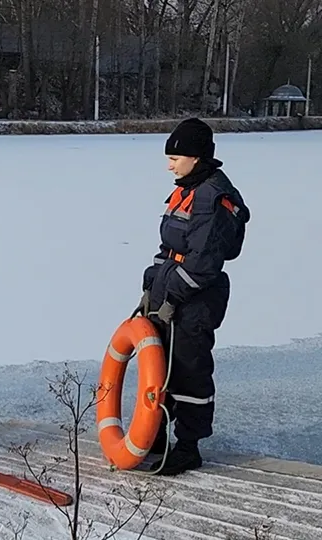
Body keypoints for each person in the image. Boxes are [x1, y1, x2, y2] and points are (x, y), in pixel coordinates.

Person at [137, 118, 250, 475]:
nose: (169, 163)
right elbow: (169, 245)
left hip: (197, 298)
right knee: (159, 366)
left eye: (176, 156)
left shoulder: (212, 196)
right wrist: (151, 285)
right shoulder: (184, 190)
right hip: (168, 287)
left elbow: (203, 263)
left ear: (197, 157)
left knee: (189, 367)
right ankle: (155, 433)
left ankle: (188, 446)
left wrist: (174, 298)